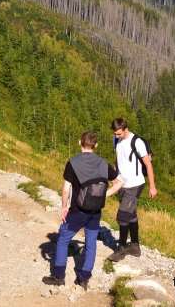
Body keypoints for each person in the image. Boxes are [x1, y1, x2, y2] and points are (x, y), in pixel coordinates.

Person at [43, 131, 122, 290]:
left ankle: (58, 277)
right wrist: (103, 196)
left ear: (80, 143)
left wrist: (64, 207)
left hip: (77, 210)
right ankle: (84, 278)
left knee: (63, 239)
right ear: (96, 145)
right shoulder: (103, 163)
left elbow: (66, 189)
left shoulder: (73, 162)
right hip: (95, 211)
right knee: (91, 243)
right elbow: (119, 183)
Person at [106, 118, 157, 262]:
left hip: (135, 184)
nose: (116, 136)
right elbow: (119, 159)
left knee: (122, 216)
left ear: (125, 129)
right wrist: (115, 177)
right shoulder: (116, 140)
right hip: (122, 184)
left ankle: (121, 249)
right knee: (131, 215)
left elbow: (148, 165)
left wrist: (152, 186)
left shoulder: (137, 142)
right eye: (115, 134)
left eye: (119, 134)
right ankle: (135, 246)